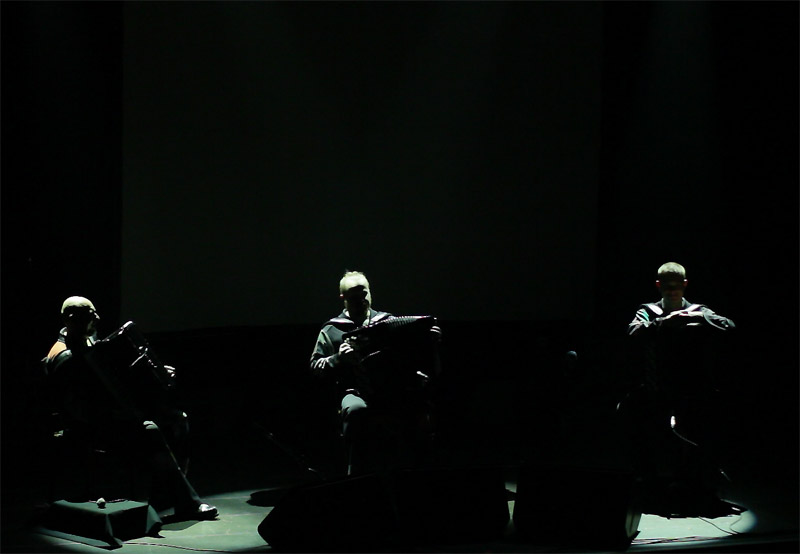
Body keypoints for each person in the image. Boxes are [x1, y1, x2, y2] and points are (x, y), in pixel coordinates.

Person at [43, 296, 218, 521]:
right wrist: (119, 414)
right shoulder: (64, 357)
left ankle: (168, 494)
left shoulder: (86, 341)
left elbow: (114, 377)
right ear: (70, 319)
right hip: (88, 429)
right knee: (151, 431)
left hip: (112, 417)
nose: (97, 318)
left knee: (177, 419)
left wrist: (153, 374)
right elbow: (78, 411)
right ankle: (186, 502)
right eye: (89, 315)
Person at [624, 263, 738, 516]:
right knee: (657, 441)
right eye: (668, 286)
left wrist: (698, 318)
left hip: (692, 390)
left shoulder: (699, 310)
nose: (673, 290)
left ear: (685, 285)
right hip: (657, 390)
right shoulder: (648, 311)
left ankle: (694, 490)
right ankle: (658, 491)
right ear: (659, 286)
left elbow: (729, 326)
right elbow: (633, 332)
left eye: (677, 286)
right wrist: (666, 322)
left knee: (695, 440)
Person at [310, 271, 441, 475]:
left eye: (364, 293)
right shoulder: (332, 330)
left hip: (392, 389)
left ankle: (416, 474)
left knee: (417, 408)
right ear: (343, 298)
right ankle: (356, 475)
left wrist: (429, 341)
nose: (361, 300)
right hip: (354, 390)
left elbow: (408, 356)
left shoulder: (387, 322)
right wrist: (338, 358)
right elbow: (316, 366)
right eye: (354, 296)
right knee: (356, 411)